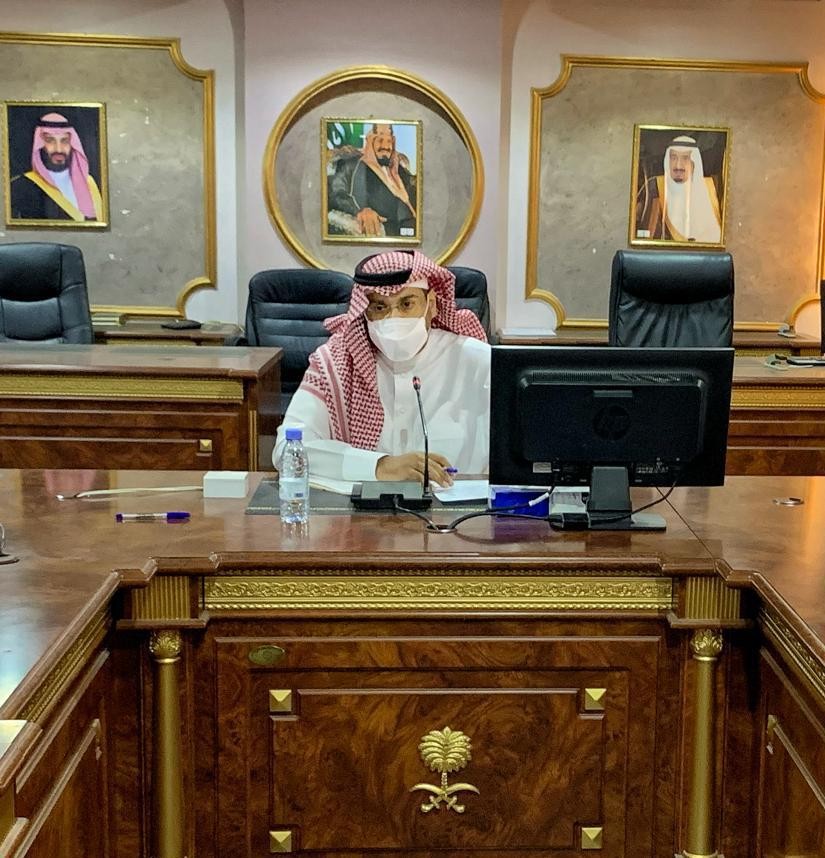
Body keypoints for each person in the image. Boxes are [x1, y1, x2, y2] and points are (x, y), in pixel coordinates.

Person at [272, 250, 490, 486]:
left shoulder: (477, 361)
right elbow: (286, 450)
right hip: (362, 506)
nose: (393, 317)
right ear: (364, 312)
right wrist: (379, 466)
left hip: (456, 505)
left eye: (407, 304)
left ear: (432, 305)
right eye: (379, 307)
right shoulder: (335, 362)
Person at [9, 112, 103, 222]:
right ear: (40, 144)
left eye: (65, 141)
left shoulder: (93, 183)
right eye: (50, 141)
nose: (58, 149)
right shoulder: (21, 187)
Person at [327, 123, 417, 238]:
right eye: (380, 140)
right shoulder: (351, 164)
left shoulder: (399, 170)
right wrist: (360, 211)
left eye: (389, 141)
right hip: (383, 233)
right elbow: (337, 193)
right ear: (371, 141)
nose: (385, 146)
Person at [635, 135, 722, 243]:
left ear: (694, 163)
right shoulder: (655, 187)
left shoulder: (713, 188)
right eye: (673, 158)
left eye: (685, 158)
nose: (678, 166)